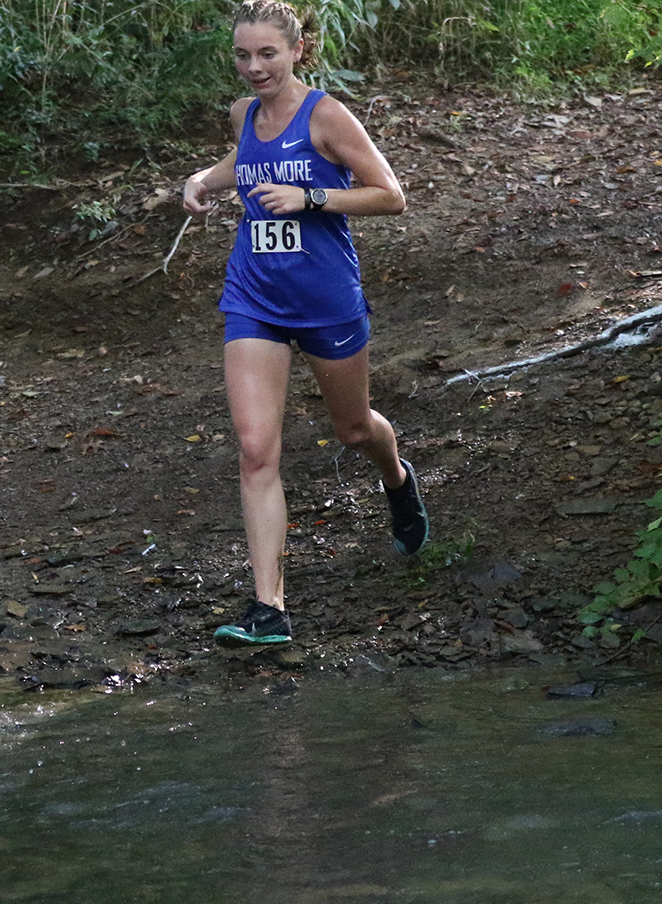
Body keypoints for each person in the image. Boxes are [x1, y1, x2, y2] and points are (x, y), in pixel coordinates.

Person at [182, 0, 427, 647]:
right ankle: (270, 610)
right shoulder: (244, 116)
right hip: (254, 296)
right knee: (256, 451)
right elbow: (243, 164)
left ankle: (397, 480)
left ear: (296, 51)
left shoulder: (326, 116)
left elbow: (391, 195)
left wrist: (312, 196)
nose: (254, 67)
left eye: (267, 53)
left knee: (352, 429)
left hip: (326, 301)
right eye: (243, 55)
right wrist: (203, 180)